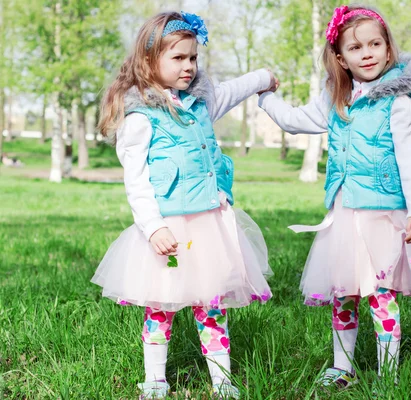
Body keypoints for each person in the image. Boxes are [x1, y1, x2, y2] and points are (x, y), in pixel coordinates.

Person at [258, 4, 411, 389]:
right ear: (341, 58)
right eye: (356, 47)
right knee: (343, 293)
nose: (367, 53)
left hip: (383, 214)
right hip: (345, 215)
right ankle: (342, 367)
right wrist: (264, 98)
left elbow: (410, 162)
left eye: (375, 44)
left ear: (389, 49)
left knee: (381, 294)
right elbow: (298, 121)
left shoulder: (398, 104)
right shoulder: (337, 99)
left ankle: (388, 376)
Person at [91, 11, 277, 399]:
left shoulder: (199, 103)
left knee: (212, 303)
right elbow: (136, 180)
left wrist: (264, 79)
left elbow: (231, 91)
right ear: (149, 61)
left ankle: (222, 380)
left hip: (209, 226)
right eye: (178, 58)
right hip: (168, 228)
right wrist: (153, 227)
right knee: (161, 305)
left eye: (193, 57)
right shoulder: (141, 117)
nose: (189, 66)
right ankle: (155, 379)